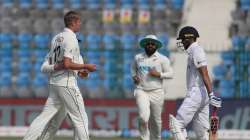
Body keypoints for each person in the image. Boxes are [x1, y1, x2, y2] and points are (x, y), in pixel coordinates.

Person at [23, 11, 96, 140]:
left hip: (55, 85)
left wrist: (81, 72)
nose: (80, 24)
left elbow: (47, 66)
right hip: (66, 85)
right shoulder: (71, 39)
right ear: (73, 22)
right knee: (80, 118)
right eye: (79, 22)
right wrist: (86, 66)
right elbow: (67, 64)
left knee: (48, 119)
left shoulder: (57, 38)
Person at [169, 26, 222, 140]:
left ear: (188, 38)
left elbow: (205, 73)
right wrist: (209, 95)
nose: (182, 42)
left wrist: (211, 94)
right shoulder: (193, 51)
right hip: (202, 95)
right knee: (202, 133)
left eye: (182, 39)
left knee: (176, 125)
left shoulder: (196, 50)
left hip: (196, 92)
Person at [131, 34, 174, 140]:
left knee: (156, 120)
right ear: (145, 45)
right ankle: (145, 138)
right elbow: (133, 68)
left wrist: (159, 74)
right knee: (143, 117)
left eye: (152, 44)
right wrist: (134, 76)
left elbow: (170, 74)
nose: (150, 45)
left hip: (157, 91)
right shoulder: (138, 57)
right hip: (141, 90)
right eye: (148, 43)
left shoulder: (163, 59)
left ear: (156, 45)